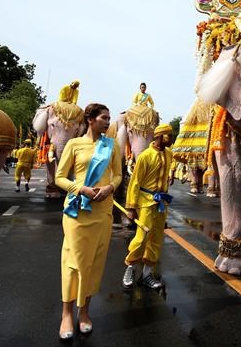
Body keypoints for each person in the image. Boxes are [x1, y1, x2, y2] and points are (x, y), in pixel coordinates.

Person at [54, 103, 122, 340]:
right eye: (104, 117)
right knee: (73, 261)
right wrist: (79, 188)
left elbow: (118, 175)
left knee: (94, 263)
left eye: (109, 118)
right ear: (91, 119)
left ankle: (84, 312)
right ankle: (66, 314)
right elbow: (60, 177)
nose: (108, 121)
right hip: (77, 212)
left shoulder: (112, 145)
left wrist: (109, 188)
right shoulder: (74, 144)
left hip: (102, 212)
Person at [122, 123, 174, 290]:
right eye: (168, 135)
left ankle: (146, 274)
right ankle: (130, 267)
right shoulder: (145, 156)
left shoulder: (169, 154)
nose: (170, 139)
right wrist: (131, 207)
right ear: (159, 137)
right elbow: (135, 182)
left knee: (156, 238)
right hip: (145, 202)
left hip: (161, 203)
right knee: (141, 237)